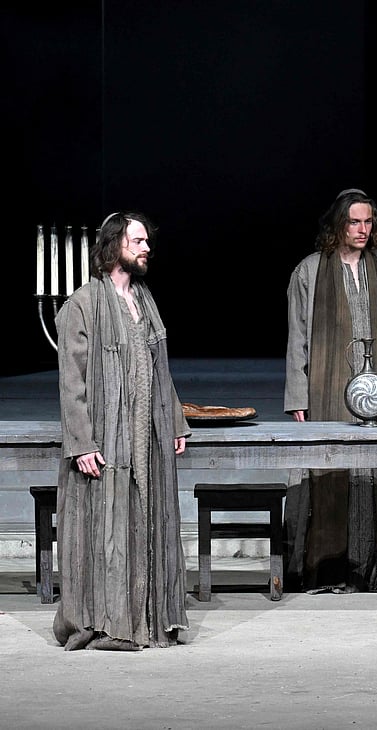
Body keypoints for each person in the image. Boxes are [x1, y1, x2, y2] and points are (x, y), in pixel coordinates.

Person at [52, 211, 191, 651]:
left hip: (144, 437)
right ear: (114, 247)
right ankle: (107, 623)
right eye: (137, 241)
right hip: (105, 438)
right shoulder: (83, 304)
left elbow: (159, 370)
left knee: (144, 523)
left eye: (147, 241)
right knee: (106, 529)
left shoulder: (145, 301)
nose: (146, 248)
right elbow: (71, 381)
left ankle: (146, 619)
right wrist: (82, 443)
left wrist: (174, 420)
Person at [284, 188, 377, 593]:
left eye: (368, 222)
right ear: (338, 225)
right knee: (330, 467)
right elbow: (298, 339)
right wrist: (298, 396)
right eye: (354, 222)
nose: (362, 229)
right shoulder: (309, 271)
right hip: (328, 383)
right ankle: (329, 568)